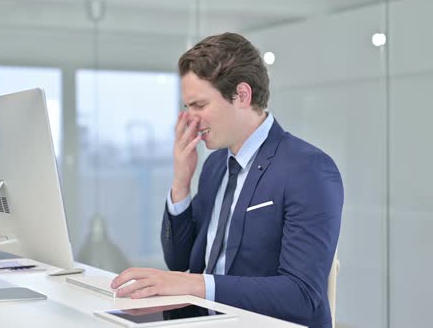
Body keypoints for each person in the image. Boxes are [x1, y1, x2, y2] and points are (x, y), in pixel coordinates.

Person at [110, 32, 343, 328]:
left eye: (200, 105)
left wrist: (193, 285)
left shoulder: (308, 169)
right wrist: (181, 181)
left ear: (241, 95)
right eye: (187, 108)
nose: (191, 120)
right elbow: (179, 262)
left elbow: (301, 295)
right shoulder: (216, 166)